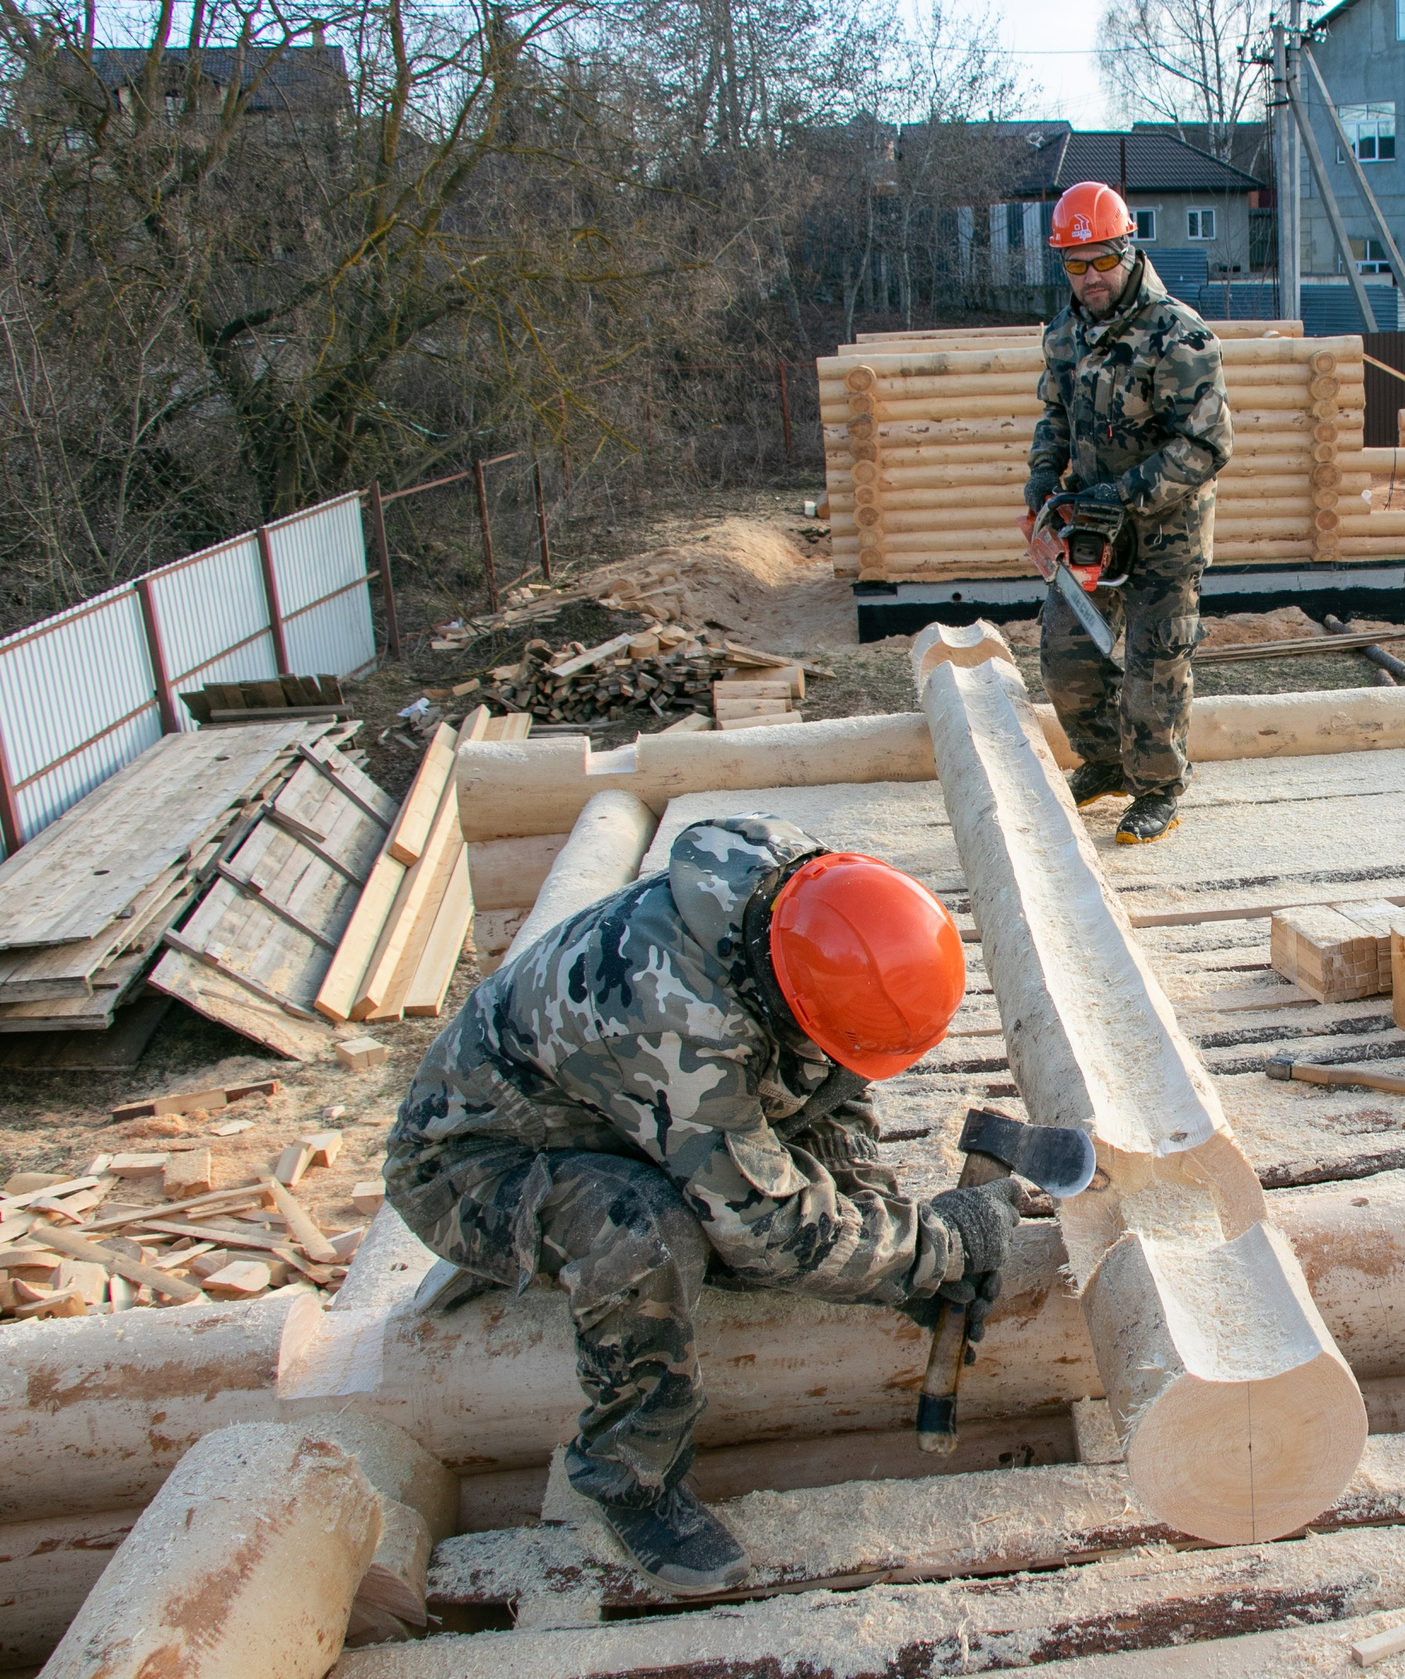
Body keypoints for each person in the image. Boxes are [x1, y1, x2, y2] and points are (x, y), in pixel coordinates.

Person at [384, 817, 1028, 1595]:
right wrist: (940, 1247)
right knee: (646, 1230)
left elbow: (829, 1088)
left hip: (614, 1115)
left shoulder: (811, 908)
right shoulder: (681, 1022)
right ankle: (629, 1479)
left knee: (755, 1174)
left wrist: (896, 1260)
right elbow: (770, 1230)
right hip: (472, 1164)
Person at [1021, 181, 1233, 846]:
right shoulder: (1064, 334)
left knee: (1153, 659)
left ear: (1127, 250)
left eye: (1101, 262)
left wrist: (1123, 495)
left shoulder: (1179, 335)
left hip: (1166, 528)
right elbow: (1055, 415)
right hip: (1092, 524)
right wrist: (1040, 480)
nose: (1090, 278)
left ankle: (1159, 785)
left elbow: (1205, 445)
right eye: (1075, 265)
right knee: (1065, 652)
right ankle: (1106, 761)